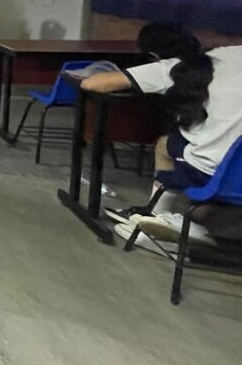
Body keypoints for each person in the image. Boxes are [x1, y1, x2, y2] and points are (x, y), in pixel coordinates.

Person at [82, 22, 242, 242]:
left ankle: (158, 214)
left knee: (164, 145)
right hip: (235, 173)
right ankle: (194, 223)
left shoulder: (178, 68)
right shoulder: (225, 57)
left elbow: (93, 84)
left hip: (211, 170)